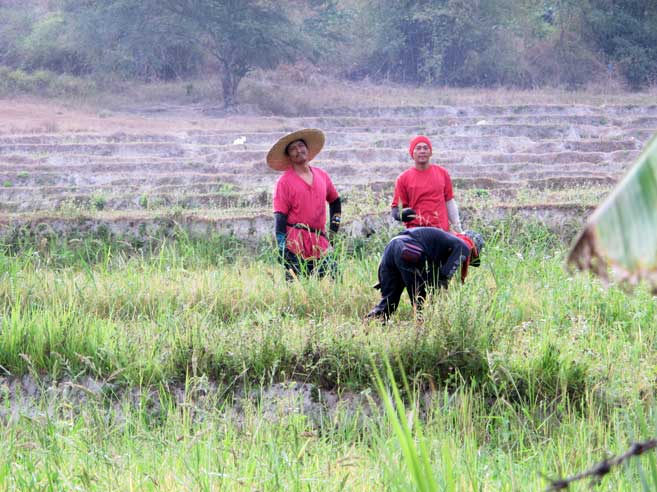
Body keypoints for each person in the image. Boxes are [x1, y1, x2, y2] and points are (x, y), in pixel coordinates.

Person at [267, 128, 341, 280]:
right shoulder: (284, 182)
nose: (298, 150)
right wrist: (282, 249)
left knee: (334, 279)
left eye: (300, 146)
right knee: (297, 290)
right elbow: (279, 217)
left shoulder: (322, 175)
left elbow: (335, 202)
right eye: (293, 149)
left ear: (307, 149)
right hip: (296, 243)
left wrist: (333, 231)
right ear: (289, 156)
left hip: (321, 242)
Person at [365, 227, 484, 321]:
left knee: (388, 303)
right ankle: (421, 333)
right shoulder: (464, 246)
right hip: (410, 250)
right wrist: (439, 304)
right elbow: (443, 277)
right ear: (474, 249)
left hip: (392, 247)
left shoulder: (444, 242)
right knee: (421, 302)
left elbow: (433, 274)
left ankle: (367, 328)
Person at [391, 135, 463, 233]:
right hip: (415, 232)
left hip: (441, 231)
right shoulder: (403, 178)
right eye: (418, 148)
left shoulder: (442, 173)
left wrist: (458, 229)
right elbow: (396, 209)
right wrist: (400, 215)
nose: (422, 151)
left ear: (430, 152)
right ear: (412, 152)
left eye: (425, 148)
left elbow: (449, 202)